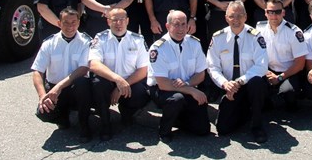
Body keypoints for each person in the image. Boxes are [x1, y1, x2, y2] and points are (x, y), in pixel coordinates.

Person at [206, 0, 268, 143]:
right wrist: (225, 84)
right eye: (232, 16)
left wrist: (241, 81)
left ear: (246, 17)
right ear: (226, 18)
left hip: (248, 85)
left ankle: (257, 125)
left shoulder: (256, 36)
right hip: (230, 88)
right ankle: (244, 111)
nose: (236, 20)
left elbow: (262, 66)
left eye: (240, 16)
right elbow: (212, 66)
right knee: (223, 129)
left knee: (257, 83)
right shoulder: (218, 38)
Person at [147, 10, 210, 143]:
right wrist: (191, 90)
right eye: (176, 24)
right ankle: (164, 130)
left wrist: (187, 85)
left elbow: (201, 74)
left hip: (187, 85)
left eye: (183, 24)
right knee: (177, 99)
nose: (181, 29)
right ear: (167, 26)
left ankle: (178, 118)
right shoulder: (158, 48)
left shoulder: (194, 43)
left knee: (203, 129)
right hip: (162, 90)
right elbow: (163, 83)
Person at [30, 8, 92, 143]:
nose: (70, 26)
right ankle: (62, 117)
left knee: (83, 83)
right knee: (43, 112)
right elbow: (37, 71)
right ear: (59, 23)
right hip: (54, 89)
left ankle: (84, 124)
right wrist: (42, 96)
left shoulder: (86, 41)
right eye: (66, 22)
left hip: (75, 88)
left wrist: (59, 87)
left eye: (73, 22)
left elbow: (83, 69)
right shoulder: (49, 43)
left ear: (79, 23)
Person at [88, 8, 150, 141]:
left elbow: (143, 69)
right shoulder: (100, 38)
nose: (118, 23)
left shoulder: (138, 40)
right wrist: (117, 80)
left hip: (130, 82)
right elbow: (93, 64)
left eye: (122, 19)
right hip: (108, 81)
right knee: (98, 85)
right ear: (108, 22)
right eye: (114, 20)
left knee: (142, 94)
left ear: (127, 21)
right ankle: (105, 123)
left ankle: (127, 112)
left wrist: (120, 86)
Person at [256, 0, 307, 111]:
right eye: (270, 12)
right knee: (256, 86)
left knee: (289, 93)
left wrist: (279, 78)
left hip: (289, 72)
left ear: (283, 12)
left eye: (278, 12)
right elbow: (256, 55)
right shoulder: (259, 29)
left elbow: (300, 64)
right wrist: (265, 71)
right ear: (265, 13)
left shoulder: (294, 32)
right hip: (268, 71)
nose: (274, 16)